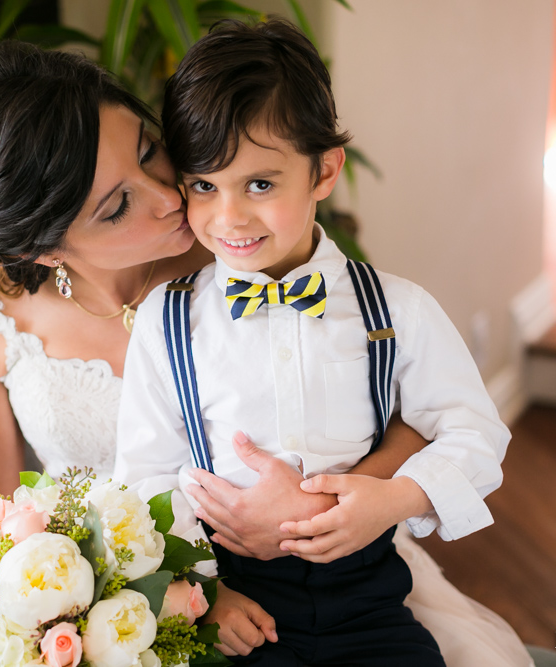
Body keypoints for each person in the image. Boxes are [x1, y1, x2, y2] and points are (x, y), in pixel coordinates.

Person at [0, 40, 533, 666]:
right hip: (156, 591)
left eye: (151, 150)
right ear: (44, 248)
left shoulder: (249, 239)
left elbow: (401, 402)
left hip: (351, 557)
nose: (173, 198)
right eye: (117, 205)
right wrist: (165, 593)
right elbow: (1, 521)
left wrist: (316, 507)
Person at [112, 19, 510, 666]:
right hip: (241, 600)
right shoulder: (168, 319)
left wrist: (393, 498)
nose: (230, 216)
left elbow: (476, 432)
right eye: (204, 185)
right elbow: (147, 478)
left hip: (369, 596)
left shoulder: (398, 309)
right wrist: (205, 595)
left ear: (324, 172)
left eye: (261, 184)